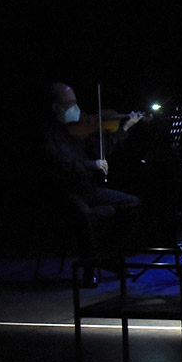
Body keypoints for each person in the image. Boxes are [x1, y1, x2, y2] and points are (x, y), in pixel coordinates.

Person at [45, 83, 142, 286]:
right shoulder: (49, 134)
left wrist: (123, 129)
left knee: (132, 204)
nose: (76, 109)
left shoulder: (79, 129)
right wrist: (92, 165)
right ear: (56, 108)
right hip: (64, 193)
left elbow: (100, 149)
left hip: (87, 189)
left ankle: (110, 257)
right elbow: (63, 164)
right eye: (70, 104)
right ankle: (90, 268)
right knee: (83, 214)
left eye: (76, 103)